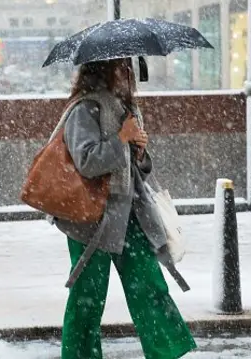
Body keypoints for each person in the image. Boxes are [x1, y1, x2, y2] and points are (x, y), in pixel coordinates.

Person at [54, 58, 196, 359]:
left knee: (149, 287)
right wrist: (122, 139)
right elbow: (88, 162)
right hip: (90, 220)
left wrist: (139, 151)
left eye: (129, 68)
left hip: (130, 215)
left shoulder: (125, 110)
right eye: (121, 68)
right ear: (103, 71)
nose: (128, 74)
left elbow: (136, 168)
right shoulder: (84, 110)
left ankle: (166, 353)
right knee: (87, 298)